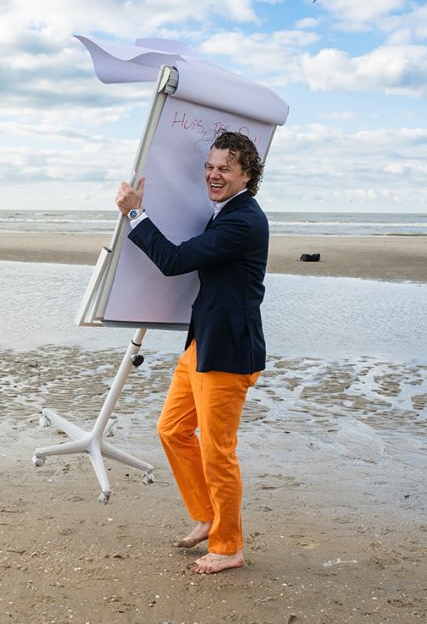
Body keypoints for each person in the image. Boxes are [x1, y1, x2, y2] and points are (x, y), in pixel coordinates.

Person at [115, 129, 268, 575]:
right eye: (209, 166)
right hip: (203, 344)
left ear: (246, 175)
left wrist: (135, 215)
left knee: (218, 450)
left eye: (224, 168)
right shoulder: (223, 213)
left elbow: (176, 261)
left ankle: (229, 545)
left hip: (228, 353)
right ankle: (207, 516)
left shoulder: (243, 221)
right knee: (172, 430)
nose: (213, 175)